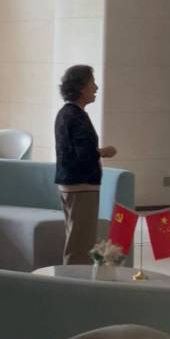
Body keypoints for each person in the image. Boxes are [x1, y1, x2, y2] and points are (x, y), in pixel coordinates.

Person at [55, 65, 117, 264]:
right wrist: (104, 152)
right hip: (81, 186)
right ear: (81, 88)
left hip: (71, 184)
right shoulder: (76, 116)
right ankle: (74, 281)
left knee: (76, 238)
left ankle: (73, 278)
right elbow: (84, 155)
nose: (96, 88)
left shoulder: (66, 113)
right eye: (92, 84)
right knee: (80, 245)